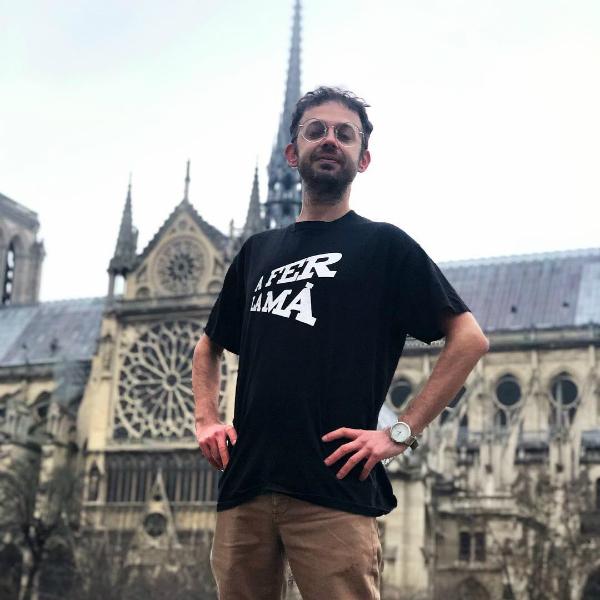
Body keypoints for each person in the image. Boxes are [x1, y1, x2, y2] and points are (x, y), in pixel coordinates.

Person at [192, 86, 489, 600]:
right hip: (246, 485)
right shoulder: (257, 251)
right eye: (316, 131)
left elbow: (469, 339)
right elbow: (208, 346)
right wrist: (205, 418)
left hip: (334, 488)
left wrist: (399, 432)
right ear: (293, 153)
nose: (329, 140)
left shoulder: (384, 245)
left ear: (363, 158)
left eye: (343, 134)